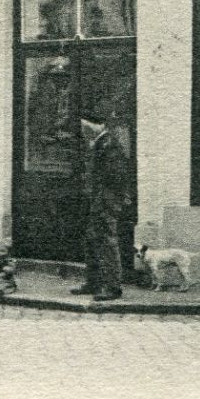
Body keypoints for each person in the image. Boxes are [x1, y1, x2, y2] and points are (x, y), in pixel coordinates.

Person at [72, 108, 130, 302]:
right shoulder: (98, 145)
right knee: (92, 240)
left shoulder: (108, 145)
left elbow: (115, 177)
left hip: (105, 201)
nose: (83, 131)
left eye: (86, 127)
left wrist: (108, 200)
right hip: (96, 201)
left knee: (107, 241)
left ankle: (113, 286)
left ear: (98, 126)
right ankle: (94, 282)